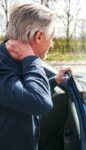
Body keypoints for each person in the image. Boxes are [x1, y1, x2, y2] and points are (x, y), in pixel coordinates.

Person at [0, 3, 71, 150]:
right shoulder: (3, 66)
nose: (52, 43)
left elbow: (22, 94)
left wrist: (55, 81)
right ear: (39, 36)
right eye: (51, 37)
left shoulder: (12, 60)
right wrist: (31, 59)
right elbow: (40, 102)